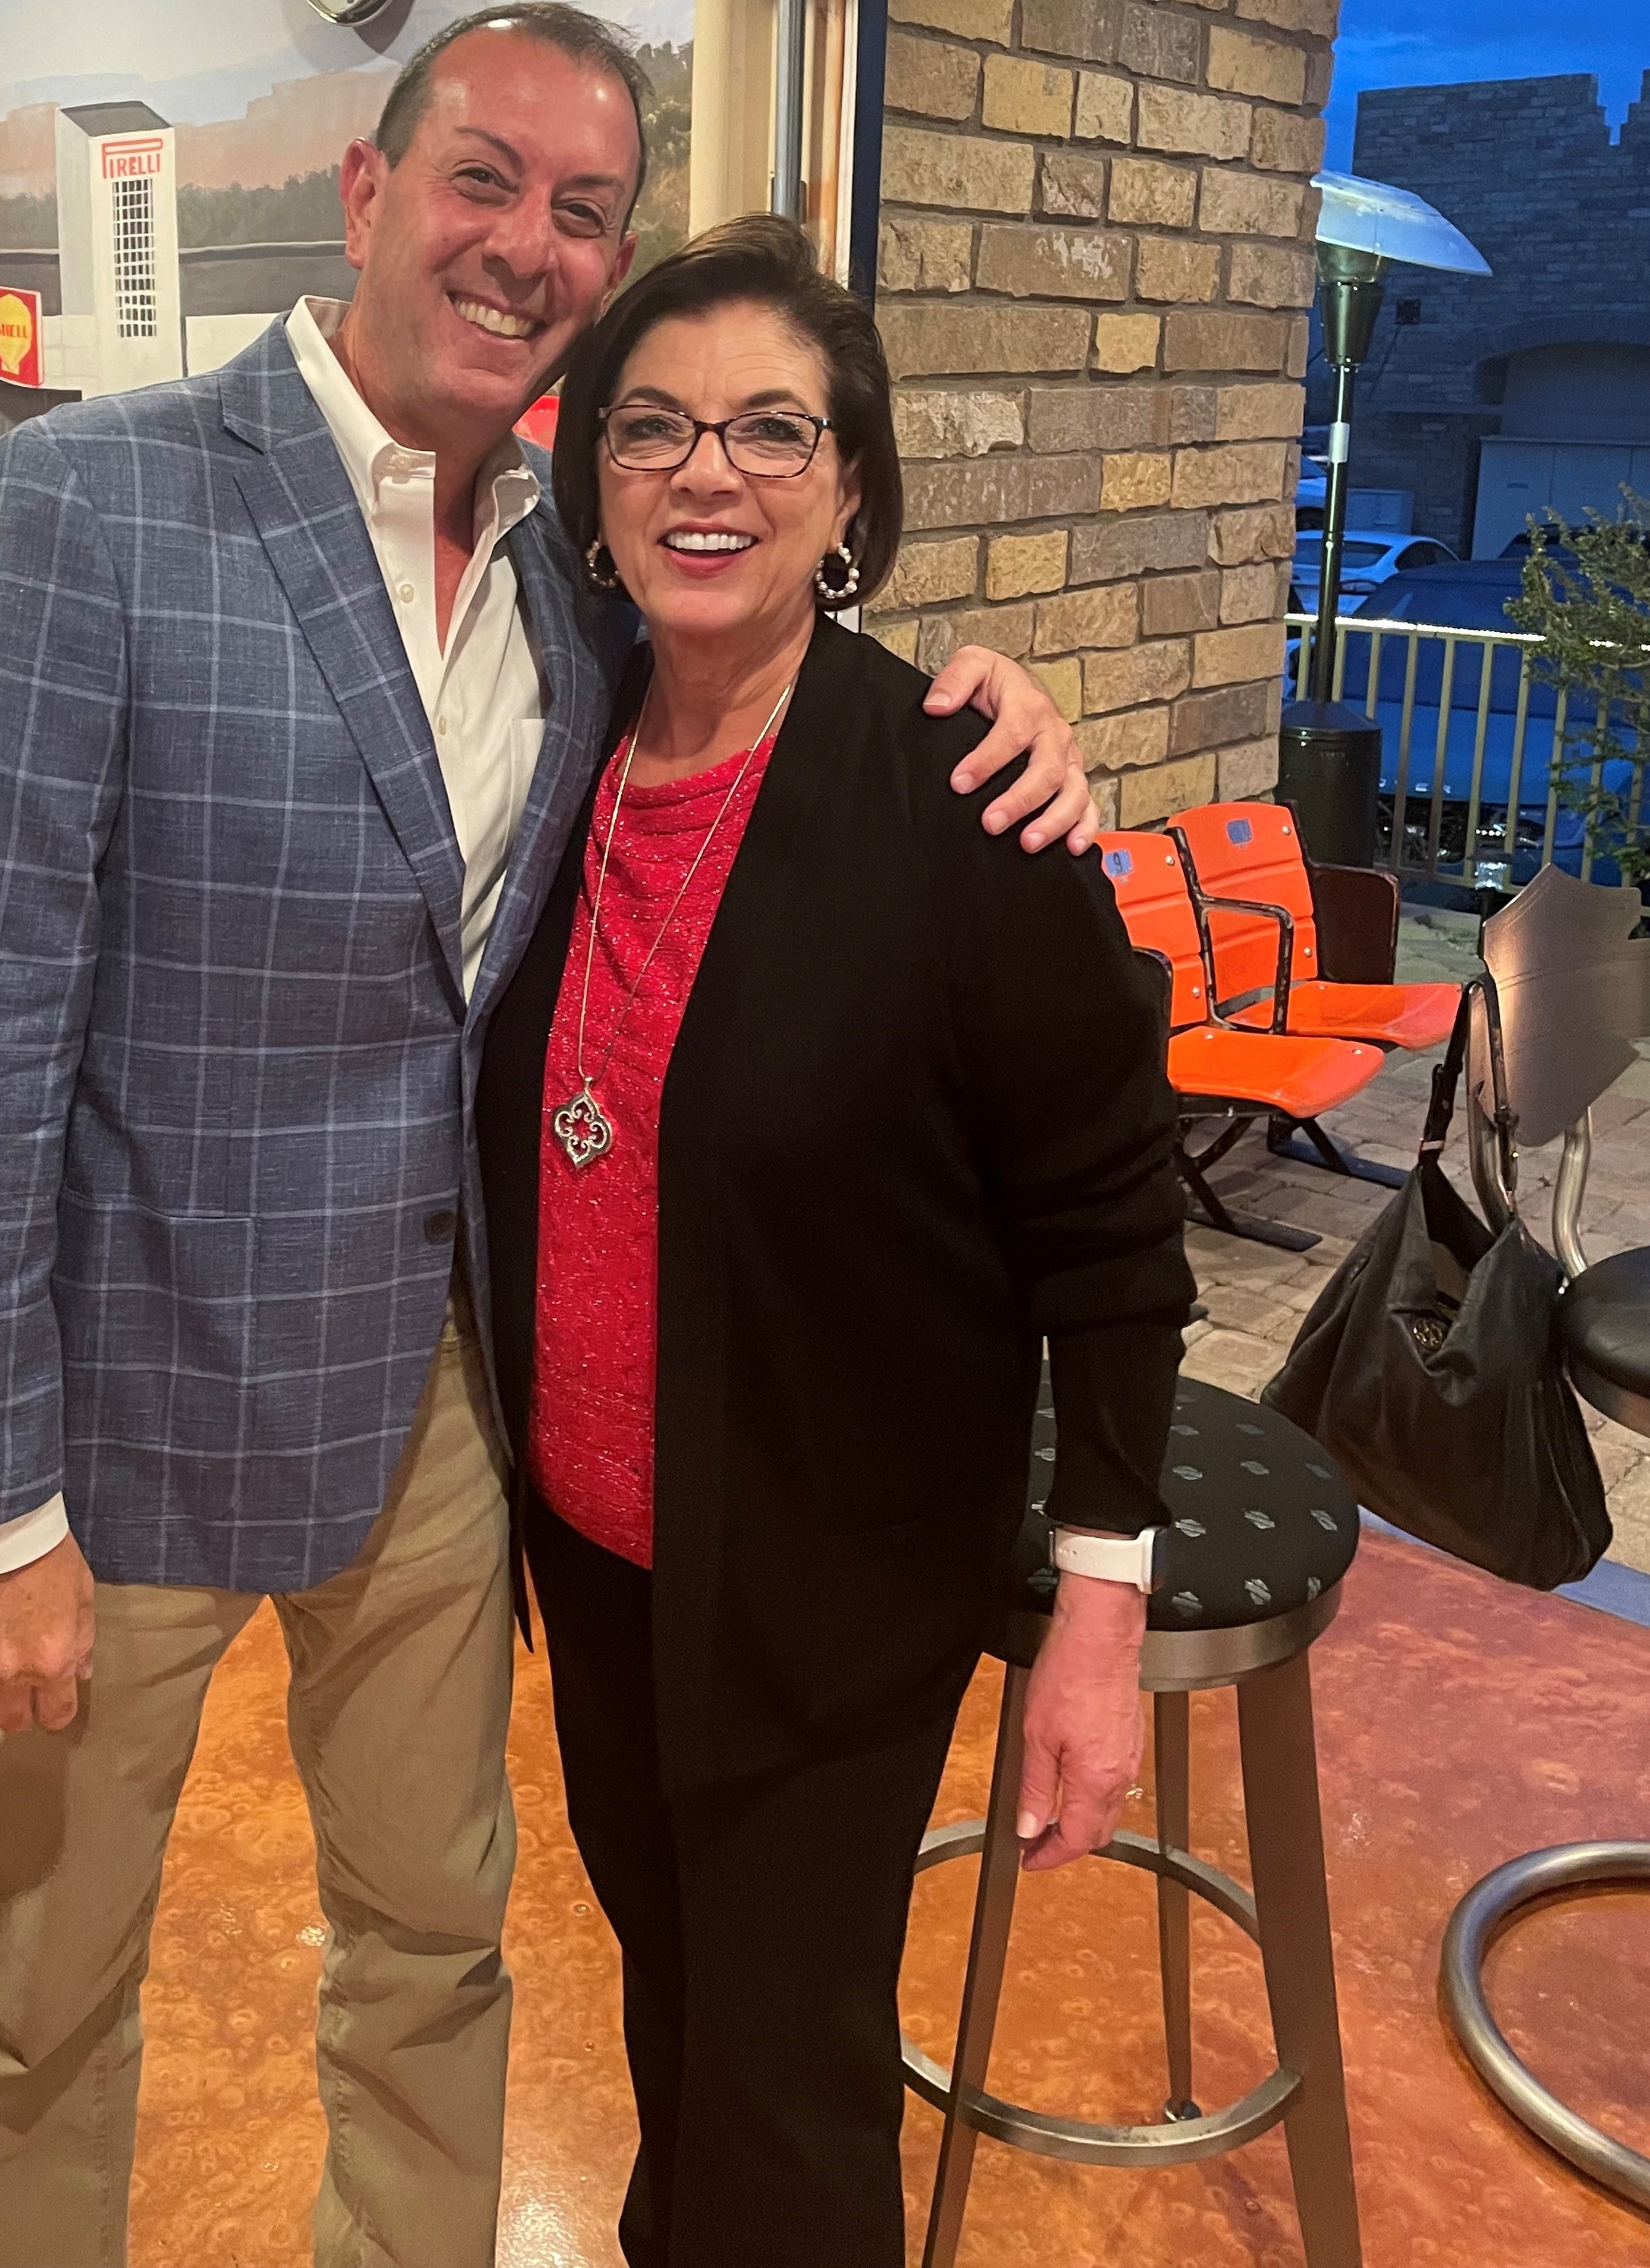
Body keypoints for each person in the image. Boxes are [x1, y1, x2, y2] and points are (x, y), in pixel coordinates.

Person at [0, 3, 1098, 2268]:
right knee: (47, 1992)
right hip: (117, 1434)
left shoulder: (562, 569)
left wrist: (975, 698)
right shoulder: (88, 505)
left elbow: (760, 660)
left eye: (584, 209)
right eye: (484, 179)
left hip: (438, 1424)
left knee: (434, 1958)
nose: (529, 244)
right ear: (368, 190)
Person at [475, 212, 1196, 2268]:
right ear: (593, 483)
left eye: (773, 430)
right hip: (599, 1554)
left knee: (788, 2089)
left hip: (831, 1577)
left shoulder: (964, 799)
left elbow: (1111, 1229)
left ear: (852, 488)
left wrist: (1100, 1615)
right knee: (678, 2000)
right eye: (653, 428)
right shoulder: (556, 750)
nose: (708, 474)